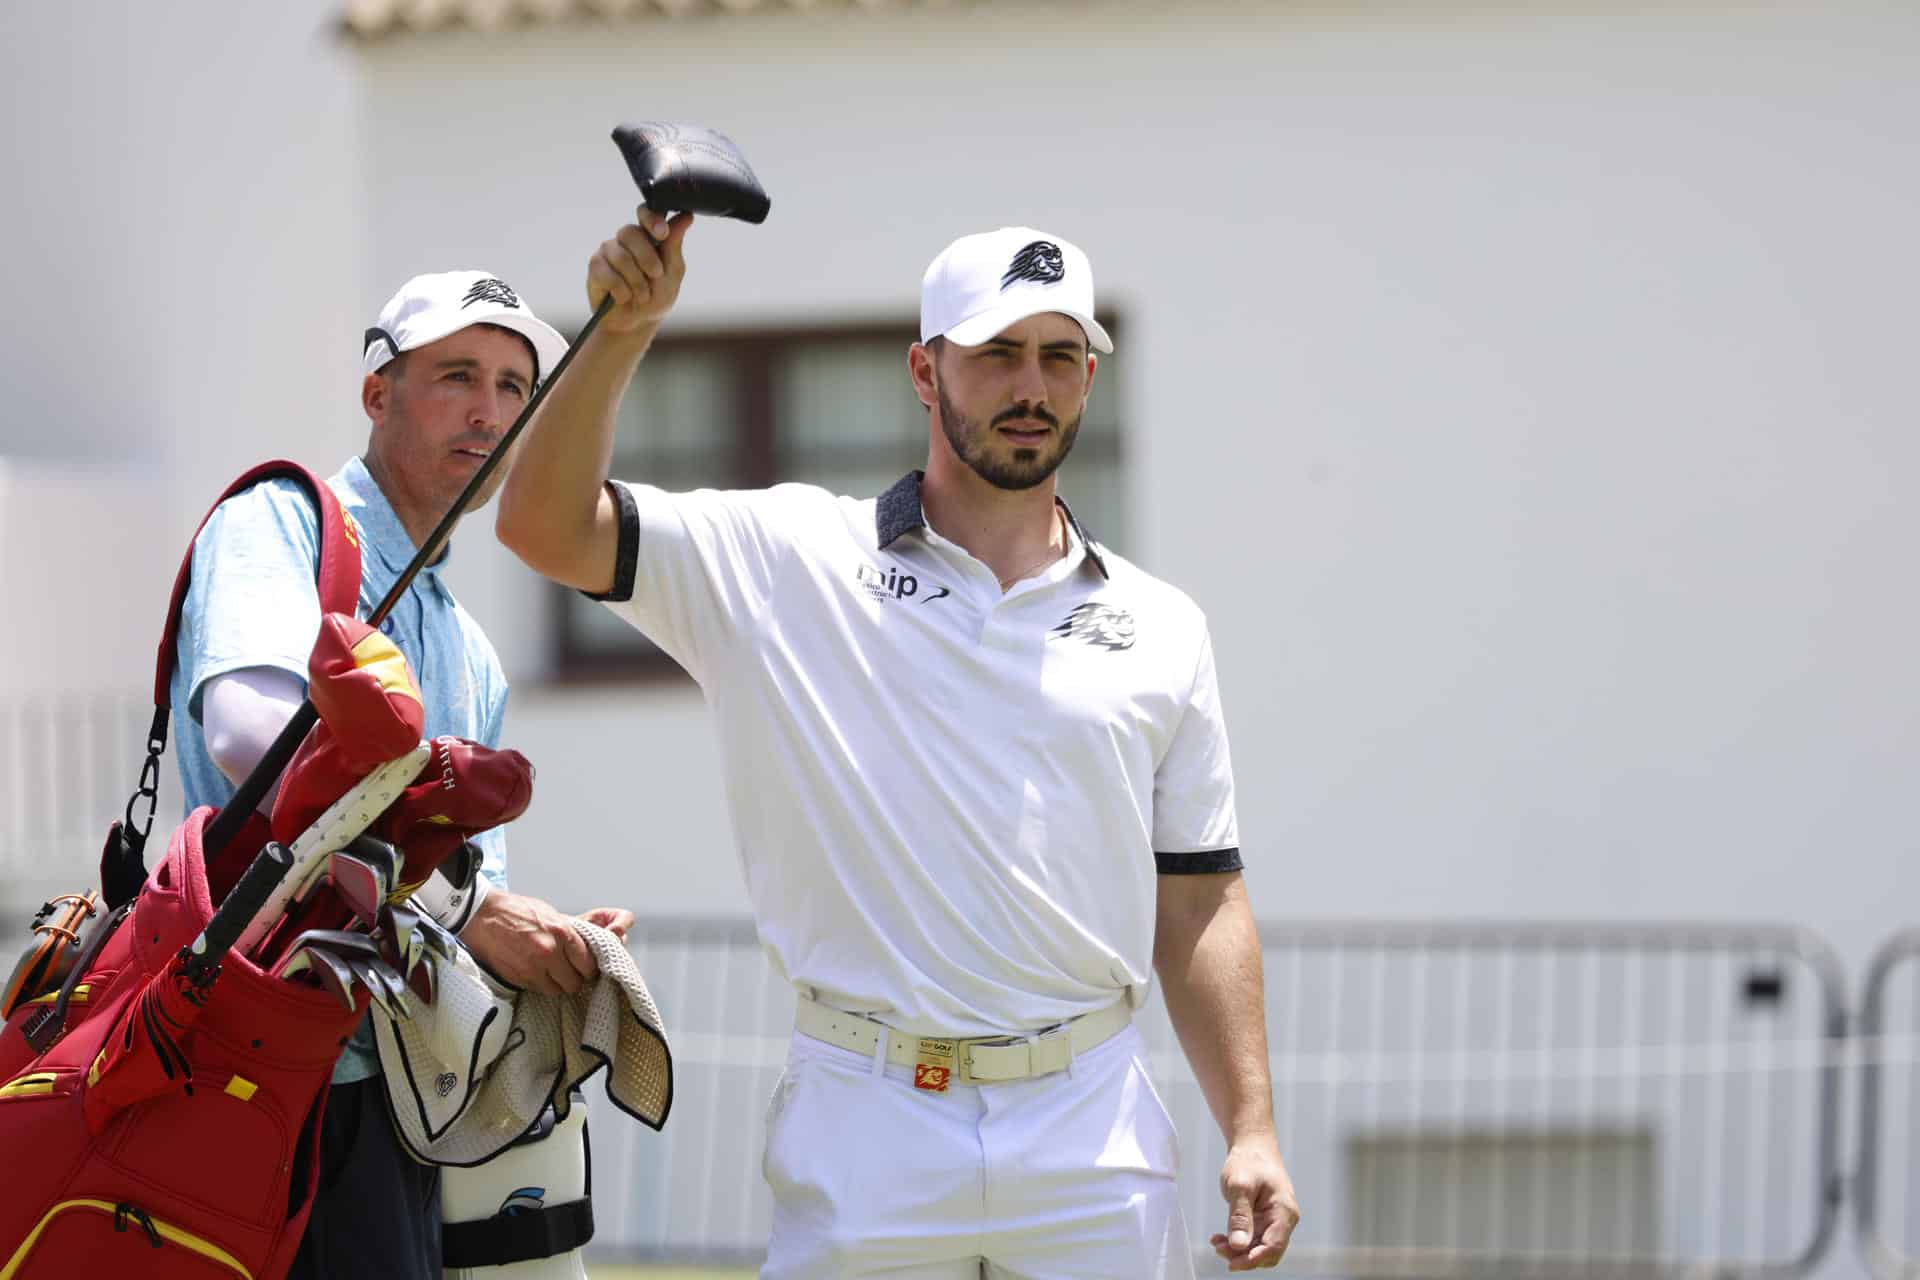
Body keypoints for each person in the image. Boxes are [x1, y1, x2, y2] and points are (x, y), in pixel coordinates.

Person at [497, 215, 1300, 1277]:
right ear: (925, 370)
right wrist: (622, 333)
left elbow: (1199, 897)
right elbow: (544, 524)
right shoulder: (787, 555)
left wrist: (1250, 1124)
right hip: (865, 1113)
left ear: (1091, 378)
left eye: (1062, 355)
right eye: (998, 352)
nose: (1032, 384)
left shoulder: (1163, 623)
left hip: (1094, 1126)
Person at [171, 269, 634, 1280]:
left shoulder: (469, 646)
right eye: (456, 375)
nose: (489, 410)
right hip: (257, 1076)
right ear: (378, 393)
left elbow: (457, 881)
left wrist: (539, 941)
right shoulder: (279, 526)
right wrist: (474, 914)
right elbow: (252, 737)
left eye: (515, 387)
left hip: (393, 1094)